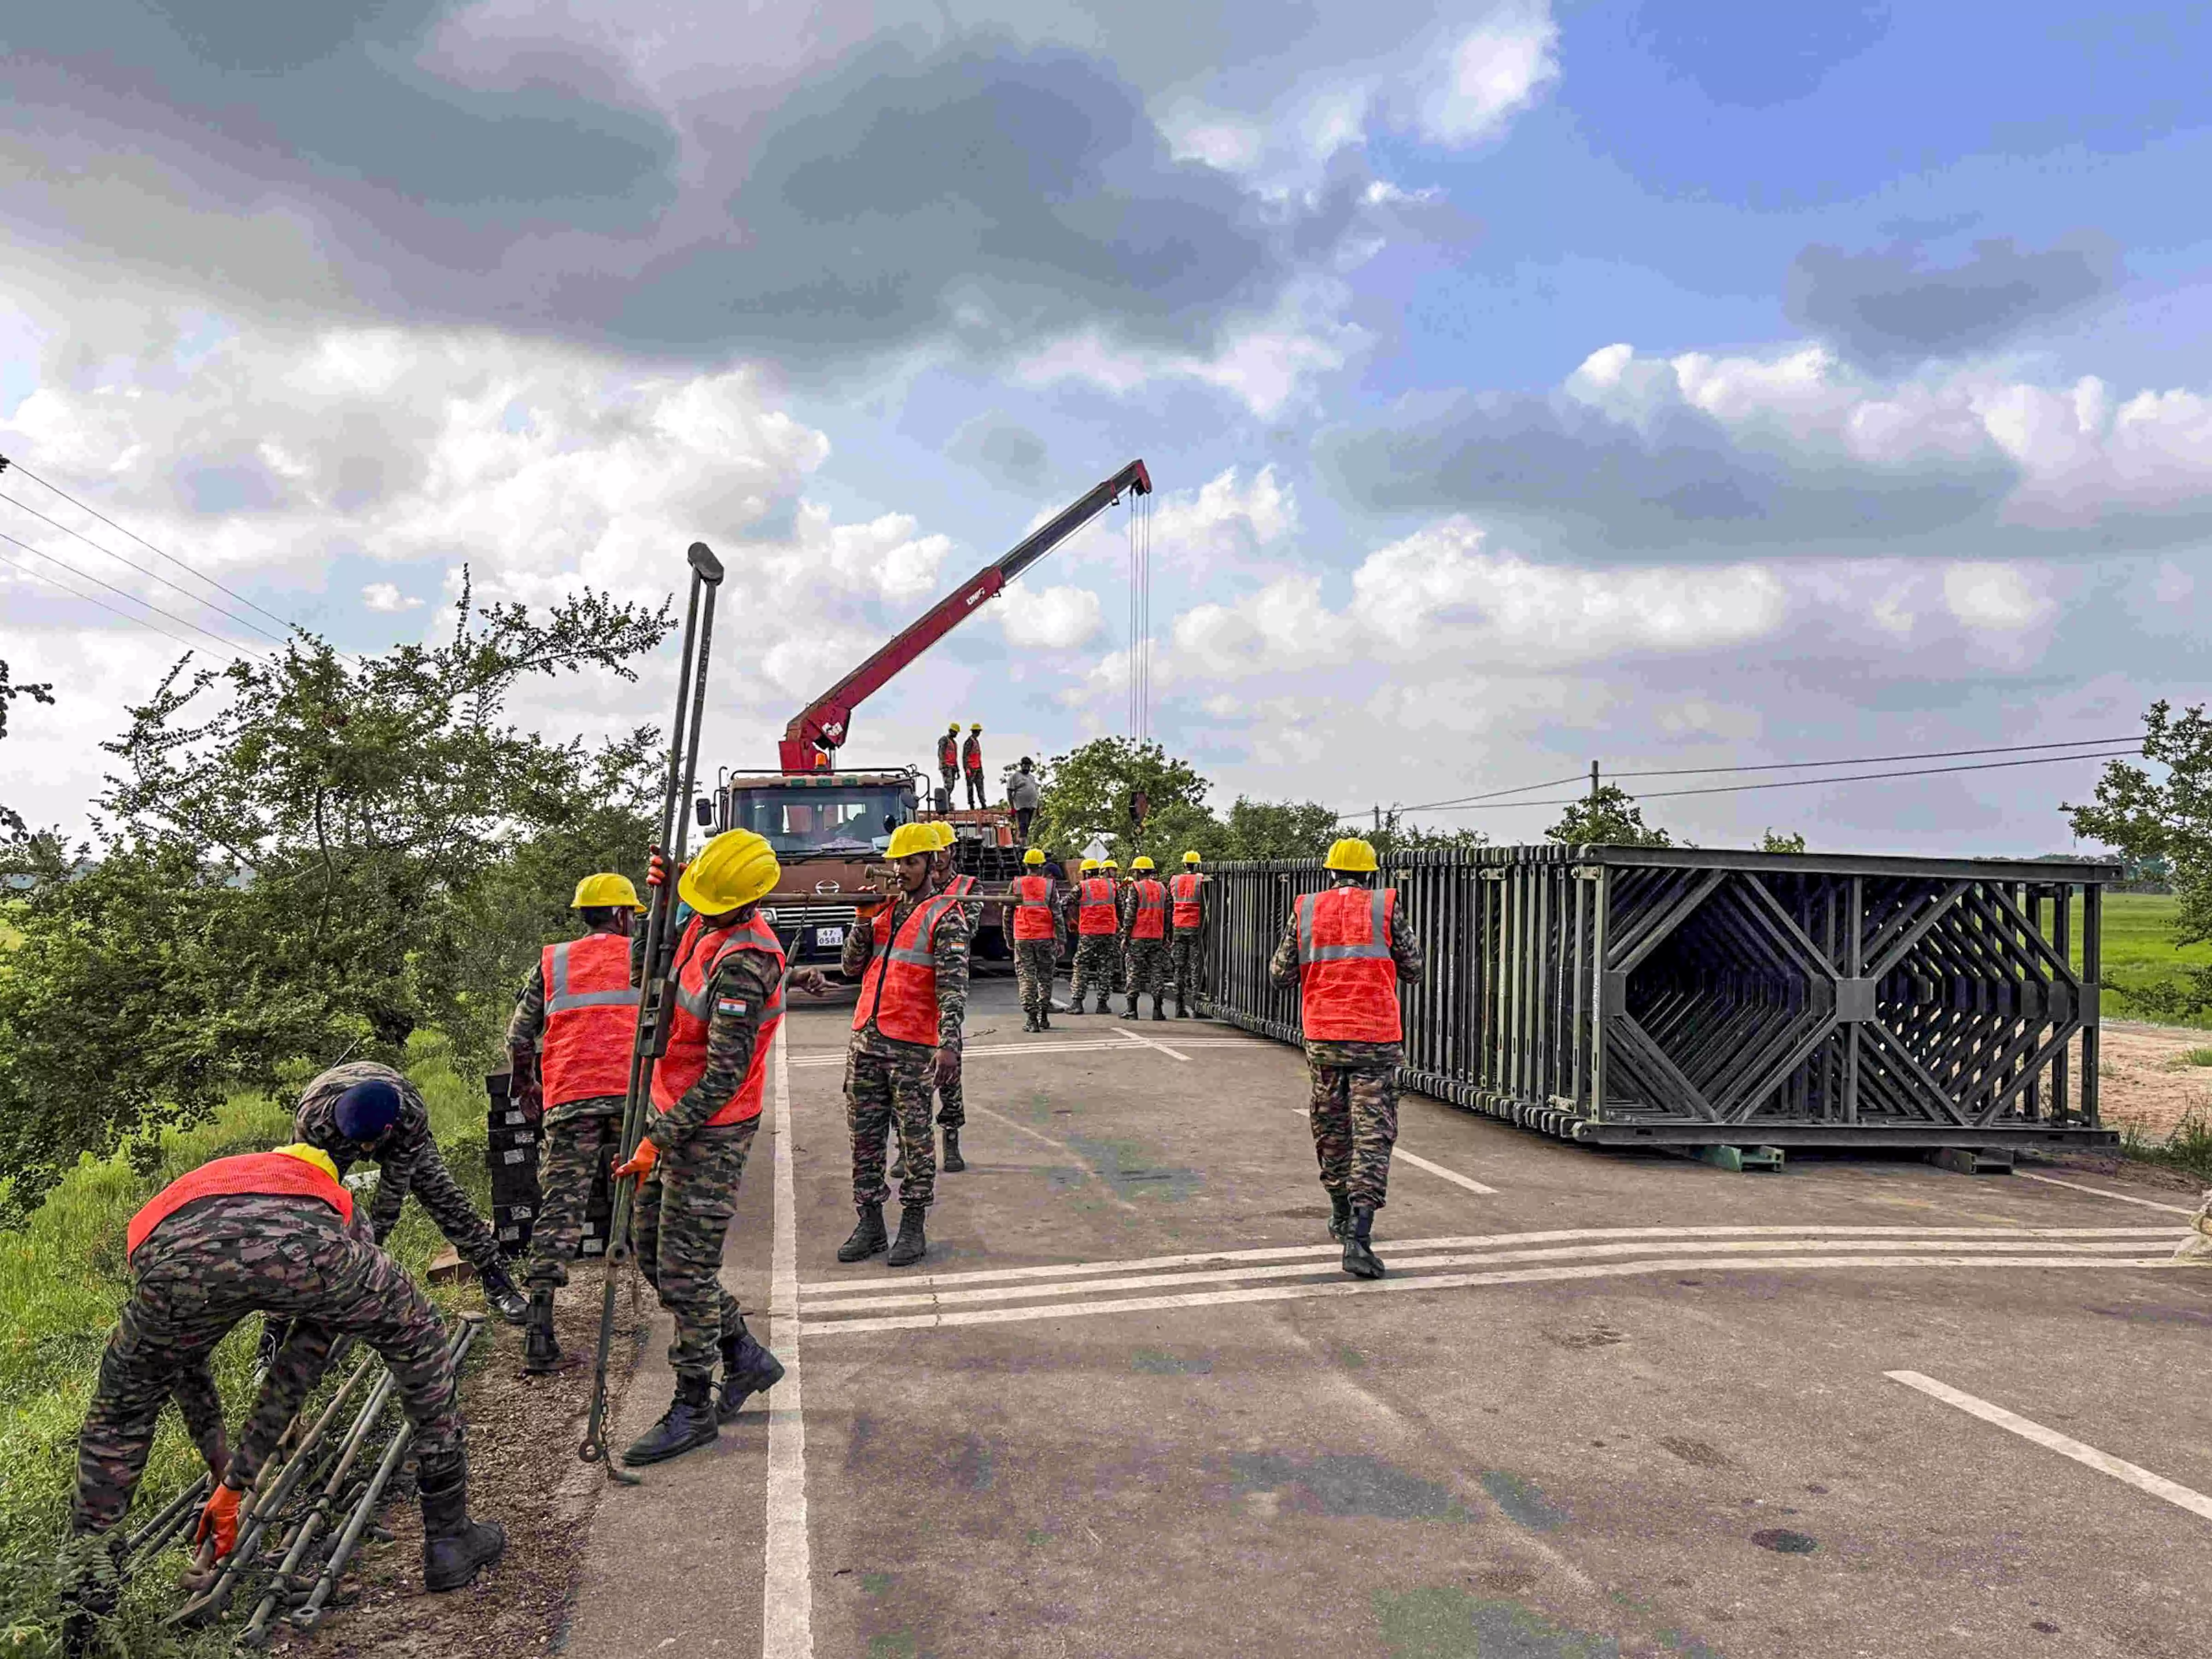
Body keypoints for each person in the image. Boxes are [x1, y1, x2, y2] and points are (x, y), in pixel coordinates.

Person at [57, 1136, 502, 1625]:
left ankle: (87, 1608)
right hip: (305, 1252)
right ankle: (449, 1539)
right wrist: (236, 1479)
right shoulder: (332, 1201)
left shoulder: (192, 1192)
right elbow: (302, 1360)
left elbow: (184, 1364)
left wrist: (225, 1472)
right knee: (418, 1334)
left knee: (117, 1422)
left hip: (168, 1257)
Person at [612, 830, 831, 1464]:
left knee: (687, 1271)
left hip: (711, 1130)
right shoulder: (702, 924)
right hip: (670, 1112)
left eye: (705, 899)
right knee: (654, 1257)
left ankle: (693, 1405)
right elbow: (642, 977)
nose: (699, 907)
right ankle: (744, 1355)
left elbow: (724, 1077)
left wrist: (657, 1139)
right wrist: (662, 906)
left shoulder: (746, 960)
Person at [506, 872, 646, 1375]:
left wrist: (527, 1090)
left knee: (561, 1211)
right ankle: (682, 1317)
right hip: (635, 1100)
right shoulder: (644, 958)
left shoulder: (554, 961)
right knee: (647, 1198)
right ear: (626, 915)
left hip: (570, 1098)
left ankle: (540, 1332)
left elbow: (520, 1038)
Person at [1268, 838, 1426, 1280]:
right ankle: (1358, 1237)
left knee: (1332, 1127)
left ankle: (1339, 1214)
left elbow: (1280, 974)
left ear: (1330, 871)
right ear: (1371, 873)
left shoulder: (1308, 909)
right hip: (1375, 1037)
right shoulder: (1385, 908)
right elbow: (1414, 968)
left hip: (1325, 1037)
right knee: (1373, 1135)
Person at [294, 1064, 529, 1324]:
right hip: (332, 1139)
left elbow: (392, 1192)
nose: (367, 1151)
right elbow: (309, 1193)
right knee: (320, 1212)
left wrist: (370, 1248)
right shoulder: (313, 1122)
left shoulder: (410, 1114)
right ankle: (316, 1295)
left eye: (371, 1143)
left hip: (398, 1131)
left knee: (446, 1198)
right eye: (361, 1145)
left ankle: (498, 1283)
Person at [836, 822, 971, 1267]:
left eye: (911, 861)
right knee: (865, 1139)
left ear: (931, 864)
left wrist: (949, 1045)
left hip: (913, 1048)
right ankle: (871, 1222)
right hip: (867, 1043)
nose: (901, 870)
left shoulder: (945, 916)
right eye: (896, 861)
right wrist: (860, 918)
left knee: (916, 1142)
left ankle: (913, 1225)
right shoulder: (883, 912)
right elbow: (851, 967)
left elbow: (953, 989)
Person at [896, 822, 970, 1177]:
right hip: (906, 1008)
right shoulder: (901, 894)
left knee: (949, 1079)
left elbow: (963, 935)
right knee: (903, 1088)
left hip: (942, 991)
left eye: (943, 850)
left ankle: (951, 1138)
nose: (939, 858)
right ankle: (902, 1148)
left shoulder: (965, 888)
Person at [1010, 847, 1064, 1032]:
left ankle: (1031, 1019)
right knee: (1045, 977)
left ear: (1025, 865)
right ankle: (1044, 1017)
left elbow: (1007, 913)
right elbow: (1057, 915)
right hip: (1045, 938)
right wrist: (1061, 940)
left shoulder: (1016, 884)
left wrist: (1009, 938)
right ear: (1042, 866)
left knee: (1027, 977)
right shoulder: (1050, 886)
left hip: (1023, 937)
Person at [1119, 855, 1171, 1021]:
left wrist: (1125, 936)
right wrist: (1167, 935)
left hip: (1138, 936)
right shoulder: (1163, 889)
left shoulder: (1136, 888)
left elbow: (1130, 915)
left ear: (1139, 872)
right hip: (1157, 936)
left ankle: (1132, 1010)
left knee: (1134, 972)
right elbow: (1169, 914)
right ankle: (1158, 1011)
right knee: (1157, 973)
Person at [1067, 858, 1119, 1015]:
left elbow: (1065, 904)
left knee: (1081, 965)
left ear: (1087, 873)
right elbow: (1122, 908)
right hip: (1109, 932)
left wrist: (1072, 920)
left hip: (1088, 932)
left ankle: (1077, 1003)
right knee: (1106, 966)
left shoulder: (1082, 887)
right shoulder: (1112, 886)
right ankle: (1102, 1004)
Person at [1170, 850, 1207, 1018]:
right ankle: (1198, 1008)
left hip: (1179, 926)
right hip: (1196, 927)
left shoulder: (1175, 880)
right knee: (1196, 967)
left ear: (1184, 864)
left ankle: (1179, 1007)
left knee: (1179, 968)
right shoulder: (1202, 880)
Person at [1008, 756, 1041, 844]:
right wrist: (1012, 808)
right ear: (1021, 765)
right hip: (1021, 806)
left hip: (1032, 805)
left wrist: (1038, 809)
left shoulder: (1032, 778)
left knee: (1027, 827)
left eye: (1028, 766)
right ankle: (1023, 846)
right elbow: (1009, 792)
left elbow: (1036, 793)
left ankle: (1022, 843)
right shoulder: (1015, 776)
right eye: (1025, 766)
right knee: (1023, 825)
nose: (1027, 768)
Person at [961, 723, 986, 810]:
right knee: (970, 788)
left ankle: (983, 804)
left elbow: (978, 757)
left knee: (980, 787)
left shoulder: (976, 741)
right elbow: (965, 756)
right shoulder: (969, 742)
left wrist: (981, 770)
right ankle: (972, 805)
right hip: (971, 768)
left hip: (978, 768)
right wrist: (967, 769)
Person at [936, 722, 960, 806]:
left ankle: (947, 801)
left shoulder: (954, 743)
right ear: (951, 731)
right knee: (948, 786)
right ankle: (945, 803)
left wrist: (958, 770)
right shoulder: (944, 740)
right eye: (955, 732)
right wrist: (943, 764)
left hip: (953, 767)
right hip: (946, 766)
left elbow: (955, 757)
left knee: (952, 786)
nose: (956, 734)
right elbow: (941, 753)